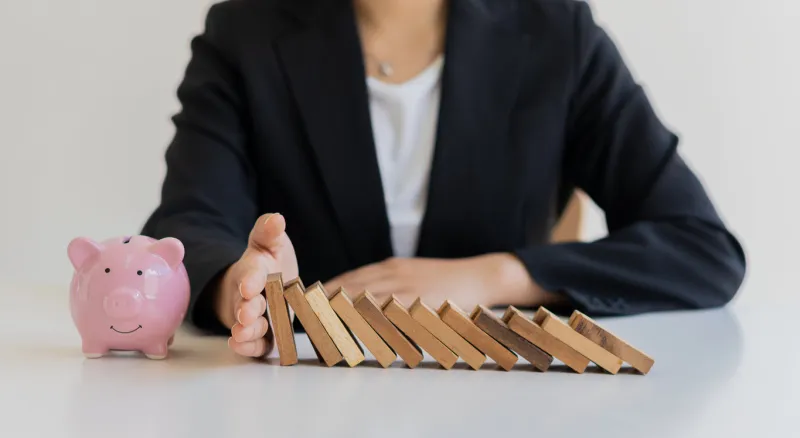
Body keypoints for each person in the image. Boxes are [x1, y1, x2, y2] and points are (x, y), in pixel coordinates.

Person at [142, 0, 747, 358]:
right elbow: (189, 222)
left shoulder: (556, 30)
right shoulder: (245, 30)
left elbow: (699, 245)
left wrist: (497, 276)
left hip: (500, 405)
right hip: (301, 401)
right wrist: (242, 290)